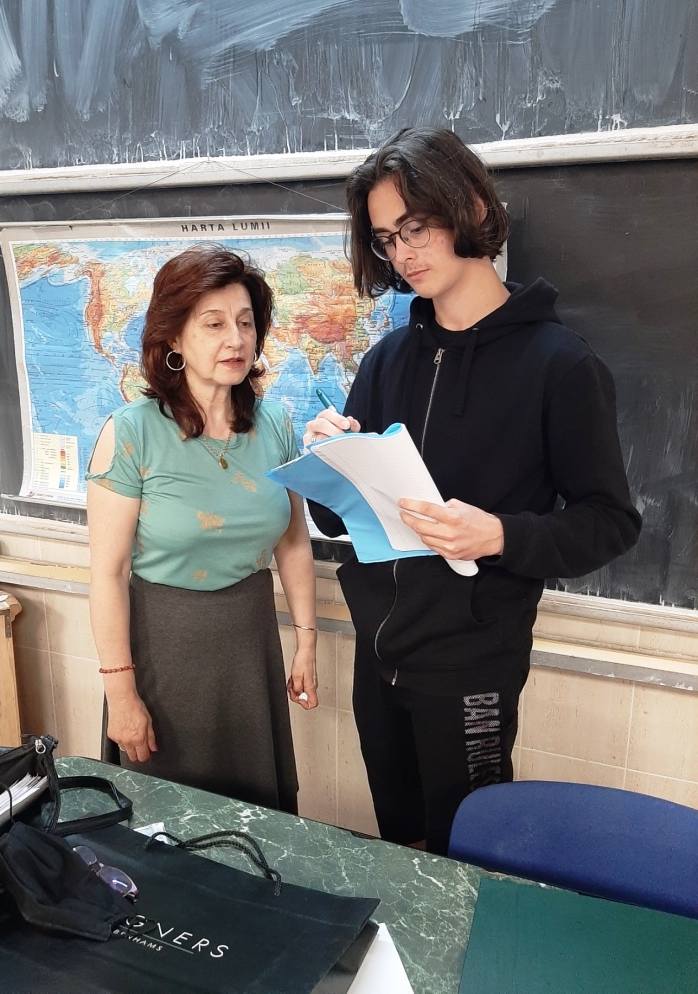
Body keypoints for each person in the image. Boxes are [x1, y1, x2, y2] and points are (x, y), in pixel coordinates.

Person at [305, 127, 641, 854]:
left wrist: (500, 535)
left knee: (469, 858)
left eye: (416, 227)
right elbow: (337, 519)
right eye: (386, 239)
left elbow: (611, 521)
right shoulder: (387, 359)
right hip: (378, 657)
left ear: (472, 208)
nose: (403, 253)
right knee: (398, 850)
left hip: (472, 668)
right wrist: (329, 464)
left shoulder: (560, 365)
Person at [86, 244, 317, 814]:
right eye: (213, 324)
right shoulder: (131, 432)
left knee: (256, 816)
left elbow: (292, 541)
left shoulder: (275, 424)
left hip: (249, 642)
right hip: (164, 649)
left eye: (246, 323)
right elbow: (109, 573)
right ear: (173, 338)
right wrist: (121, 692)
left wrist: (306, 641)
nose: (235, 340)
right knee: (166, 821)